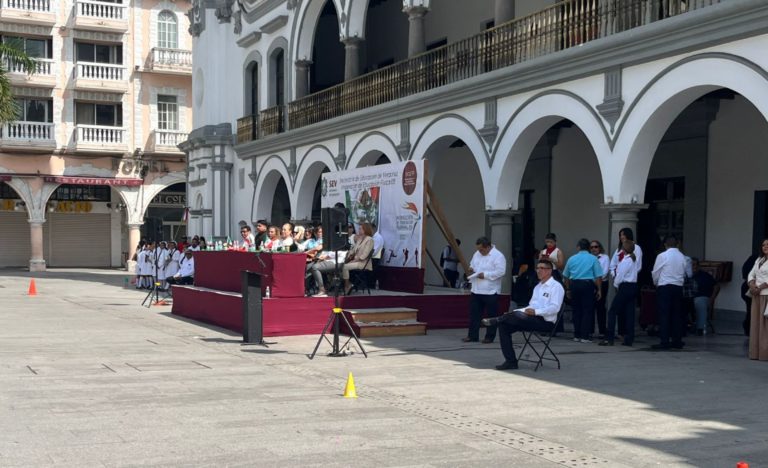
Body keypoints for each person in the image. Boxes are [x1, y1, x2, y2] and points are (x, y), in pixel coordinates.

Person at [484, 258, 564, 370]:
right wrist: (514, 312)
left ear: (549, 270)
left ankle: (497, 319)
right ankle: (511, 361)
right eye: (537, 268)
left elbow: (555, 308)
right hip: (531, 318)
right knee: (504, 326)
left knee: (516, 315)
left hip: (546, 322)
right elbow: (531, 306)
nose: (538, 271)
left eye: (542, 268)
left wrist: (536, 312)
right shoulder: (538, 287)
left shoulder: (556, 286)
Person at [462, 237, 506, 344]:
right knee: (474, 314)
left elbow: (501, 272)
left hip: (490, 290)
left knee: (491, 315)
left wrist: (485, 275)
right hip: (476, 289)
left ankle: (489, 336)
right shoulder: (477, 254)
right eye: (478, 249)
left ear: (488, 247)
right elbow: (472, 264)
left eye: (481, 249)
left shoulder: (498, 256)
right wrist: (471, 268)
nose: (479, 251)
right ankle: (472, 336)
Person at [562, 238, 603, 343]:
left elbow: (565, 276)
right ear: (588, 248)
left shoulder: (571, 259)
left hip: (575, 284)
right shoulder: (593, 258)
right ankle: (585, 336)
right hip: (587, 285)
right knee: (587, 311)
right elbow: (598, 276)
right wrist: (599, 290)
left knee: (576, 311)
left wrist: (568, 289)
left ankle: (577, 335)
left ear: (578, 247)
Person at [651, 235, 688, 350]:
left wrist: (656, 283)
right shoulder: (683, 257)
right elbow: (685, 273)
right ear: (677, 244)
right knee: (677, 315)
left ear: (665, 244)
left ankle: (664, 341)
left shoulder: (662, 256)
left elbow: (656, 272)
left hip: (665, 286)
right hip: (678, 287)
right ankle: (677, 340)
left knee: (664, 314)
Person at [600, 240, 638, 346]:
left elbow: (620, 275)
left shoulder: (626, 260)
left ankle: (609, 338)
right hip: (633, 286)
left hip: (625, 286)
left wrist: (616, 285)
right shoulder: (633, 259)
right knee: (629, 313)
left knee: (612, 311)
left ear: (624, 250)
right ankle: (629, 339)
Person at [609, 228, 643, 336]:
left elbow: (638, 266)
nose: (621, 237)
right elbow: (612, 265)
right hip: (620, 281)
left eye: (623, 235)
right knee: (621, 309)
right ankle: (622, 333)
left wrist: (619, 279)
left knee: (627, 310)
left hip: (626, 282)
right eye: (620, 235)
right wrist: (614, 275)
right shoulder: (619, 250)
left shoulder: (636, 248)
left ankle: (626, 335)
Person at [747, 238, 768, 361]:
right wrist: (752, 284)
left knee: (765, 325)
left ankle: (765, 353)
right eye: (763, 245)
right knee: (756, 324)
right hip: (756, 295)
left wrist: (759, 287)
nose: (765, 247)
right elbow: (751, 274)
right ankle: (755, 353)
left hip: (766, 294)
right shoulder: (759, 259)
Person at [342, 223, 375, 295]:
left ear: (365, 229)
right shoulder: (360, 239)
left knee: (345, 267)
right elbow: (353, 250)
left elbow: (364, 255)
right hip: (356, 261)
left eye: (360, 229)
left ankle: (347, 285)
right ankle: (348, 283)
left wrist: (354, 260)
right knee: (340, 265)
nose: (359, 230)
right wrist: (346, 256)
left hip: (363, 263)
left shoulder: (369, 240)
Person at [690, 258, 718, 336]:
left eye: (695, 264)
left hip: (701, 297)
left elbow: (716, 286)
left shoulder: (705, 275)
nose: (694, 266)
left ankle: (700, 328)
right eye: (692, 265)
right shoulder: (684, 275)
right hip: (687, 298)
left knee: (699, 301)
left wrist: (712, 298)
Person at [591, 240, 610, 338]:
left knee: (601, 307)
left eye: (596, 246)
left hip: (602, 283)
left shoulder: (605, 257)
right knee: (590, 307)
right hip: (591, 283)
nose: (594, 249)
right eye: (592, 247)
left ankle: (602, 331)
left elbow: (605, 272)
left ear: (600, 247)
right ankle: (590, 331)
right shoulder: (589, 258)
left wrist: (596, 279)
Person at [741, 250, 760, 336]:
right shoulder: (755, 258)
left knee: (752, 311)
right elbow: (746, 273)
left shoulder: (754, 258)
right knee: (752, 311)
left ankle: (750, 330)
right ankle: (750, 330)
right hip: (752, 289)